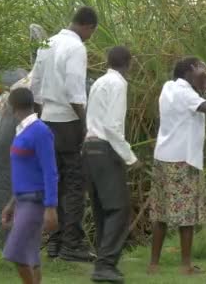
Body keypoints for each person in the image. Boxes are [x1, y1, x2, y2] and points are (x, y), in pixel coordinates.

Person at [30, 6, 98, 262]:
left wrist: (37, 117)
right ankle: (72, 245)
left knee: (54, 183)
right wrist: (85, 124)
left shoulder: (47, 43)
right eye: (92, 32)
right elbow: (74, 90)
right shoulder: (77, 47)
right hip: (68, 123)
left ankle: (55, 243)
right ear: (89, 27)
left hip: (46, 119)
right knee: (74, 185)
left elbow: (35, 83)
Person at [148, 57, 206, 276]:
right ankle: (186, 265)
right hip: (183, 159)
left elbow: (196, 108)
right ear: (191, 70)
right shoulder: (185, 93)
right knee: (186, 215)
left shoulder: (168, 88)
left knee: (160, 212)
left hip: (163, 157)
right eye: (202, 69)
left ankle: (153, 264)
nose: (205, 72)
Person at [0, 24, 47, 248]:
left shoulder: (16, 92)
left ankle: (2, 247)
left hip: (1, 147)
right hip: (5, 154)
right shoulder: (30, 100)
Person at [83, 47, 137, 282]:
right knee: (118, 208)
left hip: (89, 149)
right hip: (105, 149)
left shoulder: (99, 82)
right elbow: (112, 127)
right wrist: (130, 157)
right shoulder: (118, 84)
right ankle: (105, 264)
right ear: (129, 64)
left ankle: (103, 262)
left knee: (103, 208)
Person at [2, 88, 59, 284]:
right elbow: (24, 172)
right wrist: (11, 204)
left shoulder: (40, 131)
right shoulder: (22, 131)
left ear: (13, 107)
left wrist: (51, 208)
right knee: (31, 256)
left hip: (35, 201)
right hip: (22, 201)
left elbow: (50, 171)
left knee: (15, 252)